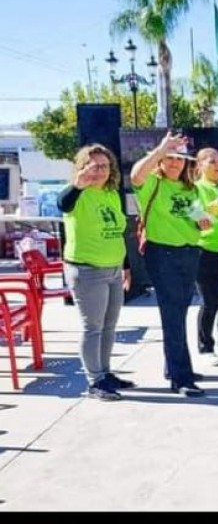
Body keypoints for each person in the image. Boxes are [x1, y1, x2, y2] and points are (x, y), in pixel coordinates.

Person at [130, 131, 211, 397]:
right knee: (172, 316)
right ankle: (181, 377)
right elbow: (136, 176)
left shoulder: (190, 188)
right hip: (162, 254)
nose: (175, 163)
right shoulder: (153, 183)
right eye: (170, 158)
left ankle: (174, 366)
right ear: (162, 161)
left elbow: (198, 218)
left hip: (189, 253)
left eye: (180, 159)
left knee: (180, 312)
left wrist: (204, 220)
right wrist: (160, 149)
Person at [59, 144, 132, 401]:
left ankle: (106, 373)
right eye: (93, 166)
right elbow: (63, 203)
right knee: (93, 328)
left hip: (113, 268)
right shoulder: (77, 194)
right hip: (87, 270)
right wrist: (78, 185)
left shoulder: (111, 194)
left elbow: (118, 233)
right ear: (82, 167)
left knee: (109, 326)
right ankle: (94, 380)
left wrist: (125, 266)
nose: (99, 171)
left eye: (104, 166)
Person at [193, 147, 218, 367]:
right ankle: (205, 345)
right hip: (205, 250)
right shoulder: (195, 189)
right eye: (211, 161)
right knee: (210, 300)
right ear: (199, 166)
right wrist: (211, 211)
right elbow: (196, 217)